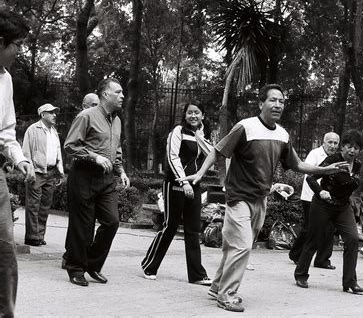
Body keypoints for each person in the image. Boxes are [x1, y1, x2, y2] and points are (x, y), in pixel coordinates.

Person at [178, 84, 348, 312]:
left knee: (234, 246)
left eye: (281, 101)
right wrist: (200, 173)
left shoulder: (282, 134)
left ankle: (217, 286)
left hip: (261, 200)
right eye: (273, 100)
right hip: (238, 197)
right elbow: (218, 150)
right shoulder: (245, 127)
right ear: (261, 103)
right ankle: (227, 295)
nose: (278, 105)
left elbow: (296, 165)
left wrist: (326, 170)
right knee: (242, 246)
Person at [63, 77, 130, 287]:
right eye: (118, 92)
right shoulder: (86, 116)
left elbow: (115, 150)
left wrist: (121, 171)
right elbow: (70, 145)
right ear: (105, 94)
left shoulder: (117, 120)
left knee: (112, 222)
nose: (122, 96)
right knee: (83, 227)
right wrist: (94, 156)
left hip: (106, 178)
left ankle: (91, 264)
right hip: (84, 175)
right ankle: (75, 268)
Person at [141, 101, 213, 285]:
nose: (193, 116)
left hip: (194, 185)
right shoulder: (178, 131)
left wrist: (200, 137)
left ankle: (197, 275)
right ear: (185, 115)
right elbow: (172, 157)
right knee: (170, 226)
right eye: (190, 113)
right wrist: (183, 182)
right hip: (175, 184)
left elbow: (211, 156)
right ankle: (149, 265)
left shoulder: (202, 134)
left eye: (197, 112)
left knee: (193, 230)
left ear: (203, 115)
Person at [294, 129, 363, 294]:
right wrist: (320, 191)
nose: (352, 150)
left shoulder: (358, 165)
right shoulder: (332, 160)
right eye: (348, 146)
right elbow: (311, 177)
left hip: (342, 207)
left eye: (356, 147)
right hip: (323, 205)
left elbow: (353, 186)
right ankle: (301, 275)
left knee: (353, 239)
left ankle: (350, 282)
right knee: (313, 239)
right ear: (343, 147)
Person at [0, 9, 35, 317]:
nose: (21, 51)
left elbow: (6, 131)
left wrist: (19, 157)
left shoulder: (6, 80)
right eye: (18, 44)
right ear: (0, 42)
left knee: (4, 252)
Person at [289, 132, 340, 268]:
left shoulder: (337, 158)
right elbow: (308, 174)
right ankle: (296, 254)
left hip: (328, 199)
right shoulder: (315, 154)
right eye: (330, 142)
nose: (332, 146)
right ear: (323, 143)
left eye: (335, 143)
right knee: (310, 227)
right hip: (310, 196)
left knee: (329, 228)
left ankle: (322, 260)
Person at [22, 103, 64, 247]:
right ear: (43, 114)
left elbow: (57, 152)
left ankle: (39, 235)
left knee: (45, 206)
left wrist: (60, 172)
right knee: (33, 205)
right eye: (51, 112)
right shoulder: (33, 129)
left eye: (55, 112)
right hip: (37, 172)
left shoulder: (54, 131)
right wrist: (29, 169)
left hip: (51, 172)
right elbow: (26, 152)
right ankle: (31, 237)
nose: (55, 115)